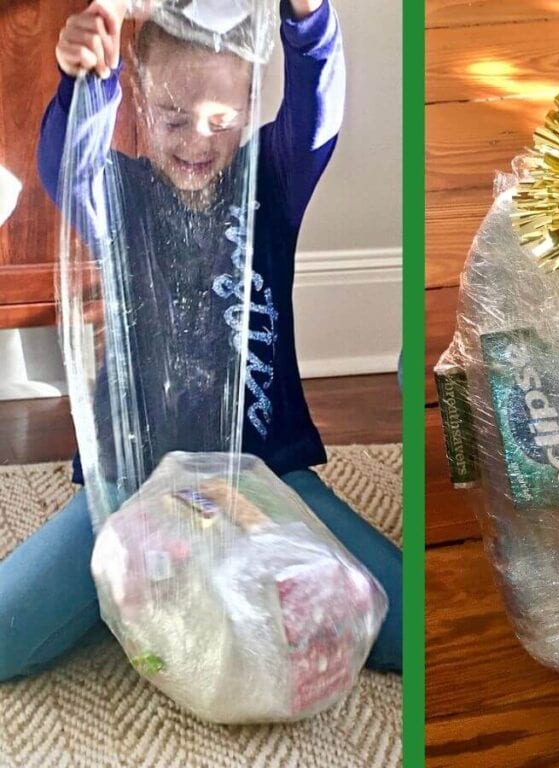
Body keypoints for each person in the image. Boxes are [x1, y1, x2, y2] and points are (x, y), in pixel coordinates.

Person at [0, 0, 402, 681]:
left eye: (220, 118)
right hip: (133, 484)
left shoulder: (270, 184)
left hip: (268, 475)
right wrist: (88, 77)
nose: (196, 140)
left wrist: (306, 19)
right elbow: (65, 162)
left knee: (402, 624)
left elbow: (317, 115)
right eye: (174, 117)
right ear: (139, 98)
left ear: (249, 105)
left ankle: (179, 585)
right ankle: (141, 585)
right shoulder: (115, 195)